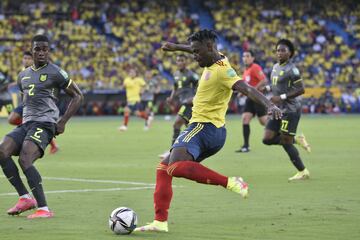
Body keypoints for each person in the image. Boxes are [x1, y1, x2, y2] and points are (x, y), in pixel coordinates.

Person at [135, 29, 281, 232]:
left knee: (175, 166)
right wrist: (177, 47)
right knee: (164, 169)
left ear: (210, 47)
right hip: (209, 129)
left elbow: (246, 88)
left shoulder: (223, 70)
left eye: (196, 52)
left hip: (205, 127)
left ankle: (231, 182)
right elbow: (197, 48)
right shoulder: (215, 57)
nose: (194, 56)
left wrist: (269, 105)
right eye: (193, 52)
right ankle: (160, 222)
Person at [0, 35, 83, 218]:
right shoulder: (23, 75)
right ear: (32, 50)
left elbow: (78, 96)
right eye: (38, 49)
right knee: (2, 150)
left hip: (45, 124)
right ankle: (24, 198)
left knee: (25, 158)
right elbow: (28, 101)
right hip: (27, 123)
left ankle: (44, 209)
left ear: (49, 51)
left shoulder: (56, 72)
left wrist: (62, 122)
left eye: (45, 49)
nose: (42, 52)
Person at [262, 39, 311, 181]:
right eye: (278, 50)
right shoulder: (276, 67)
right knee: (267, 139)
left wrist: (281, 97)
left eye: (283, 50)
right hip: (278, 109)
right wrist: (265, 88)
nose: (279, 53)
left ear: (290, 53)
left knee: (285, 142)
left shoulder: (292, 69)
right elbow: (275, 85)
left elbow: (301, 89)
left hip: (290, 109)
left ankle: (303, 171)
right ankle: (296, 139)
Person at [8, 51, 60, 154]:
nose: (26, 60)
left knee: (13, 119)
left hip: (35, 103)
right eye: (24, 58)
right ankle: (51, 143)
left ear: (33, 60)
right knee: (14, 120)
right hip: (26, 102)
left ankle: (52, 143)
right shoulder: (23, 72)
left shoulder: (37, 71)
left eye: (28, 58)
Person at [159, 54, 199, 159]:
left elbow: (200, 87)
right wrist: (171, 98)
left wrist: (194, 98)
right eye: (178, 60)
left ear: (186, 62)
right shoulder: (176, 74)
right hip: (182, 102)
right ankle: (192, 150)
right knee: (191, 128)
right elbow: (176, 87)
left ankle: (172, 151)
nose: (180, 62)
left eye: (182, 60)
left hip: (189, 104)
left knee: (176, 124)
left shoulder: (192, 75)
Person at [235, 50, 268, 153]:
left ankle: (283, 133)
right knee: (245, 119)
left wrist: (254, 90)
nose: (245, 58)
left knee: (264, 122)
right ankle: (246, 146)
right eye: (244, 56)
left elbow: (264, 80)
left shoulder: (255, 67)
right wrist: (242, 93)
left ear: (253, 58)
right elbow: (247, 85)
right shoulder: (246, 70)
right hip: (250, 99)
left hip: (258, 98)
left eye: (247, 56)